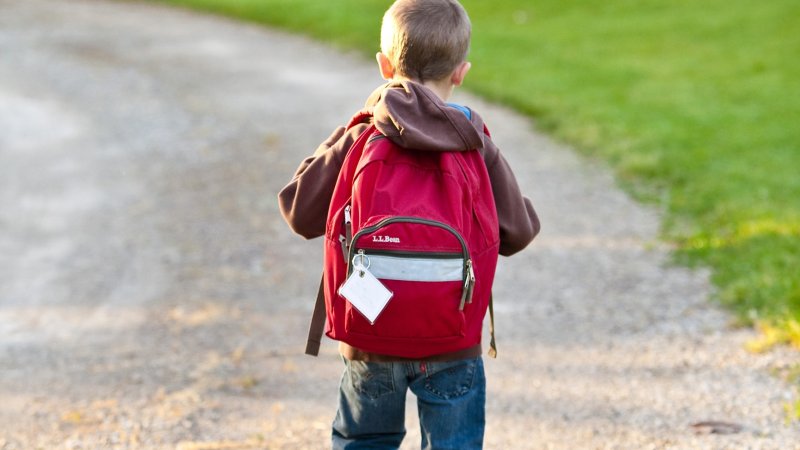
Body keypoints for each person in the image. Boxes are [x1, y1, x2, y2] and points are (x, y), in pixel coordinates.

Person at [278, 0, 540, 448]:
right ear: (461, 71)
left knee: (365, 441)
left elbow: (300, 211)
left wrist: (349, 130)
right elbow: (517, 234)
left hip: (370, 334)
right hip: (451, 339)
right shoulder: (473, 141)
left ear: (383, 65)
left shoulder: (363, 135)